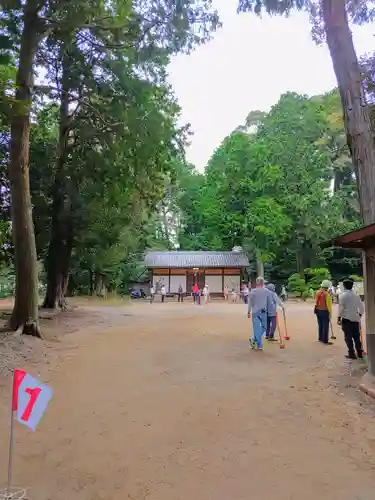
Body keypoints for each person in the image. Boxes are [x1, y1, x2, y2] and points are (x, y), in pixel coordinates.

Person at [338, 278, 364, 359]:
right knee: (356, 336)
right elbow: (361, 308)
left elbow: (341, 308)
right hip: (355, 319)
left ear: (344, 286)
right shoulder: (356, 296)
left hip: (346, 319)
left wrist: (338, 318)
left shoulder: (342, 296)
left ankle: (351, 353)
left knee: (348, 337)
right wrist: (359, 315)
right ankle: (359, 352)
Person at [247, 276, 272, 351]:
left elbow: (250, 303)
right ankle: (259, 344)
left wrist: (248, 311)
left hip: (255, 312)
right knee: (264, 327)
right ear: (263, 282)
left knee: (257, 328)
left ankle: (254, 339)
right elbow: (270, 302)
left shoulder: (253, 291)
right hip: (263, 311)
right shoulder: (267, 291)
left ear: (256, 283)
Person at [314, 280, 333, 345]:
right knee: (325, 325)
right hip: (325, 311)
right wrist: (330, 313)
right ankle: (325, 340)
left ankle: (320, 338)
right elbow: (329, 305)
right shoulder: (326, 294)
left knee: (320, 325)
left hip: (318, 310)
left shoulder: (317, 292)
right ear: (327, 287)